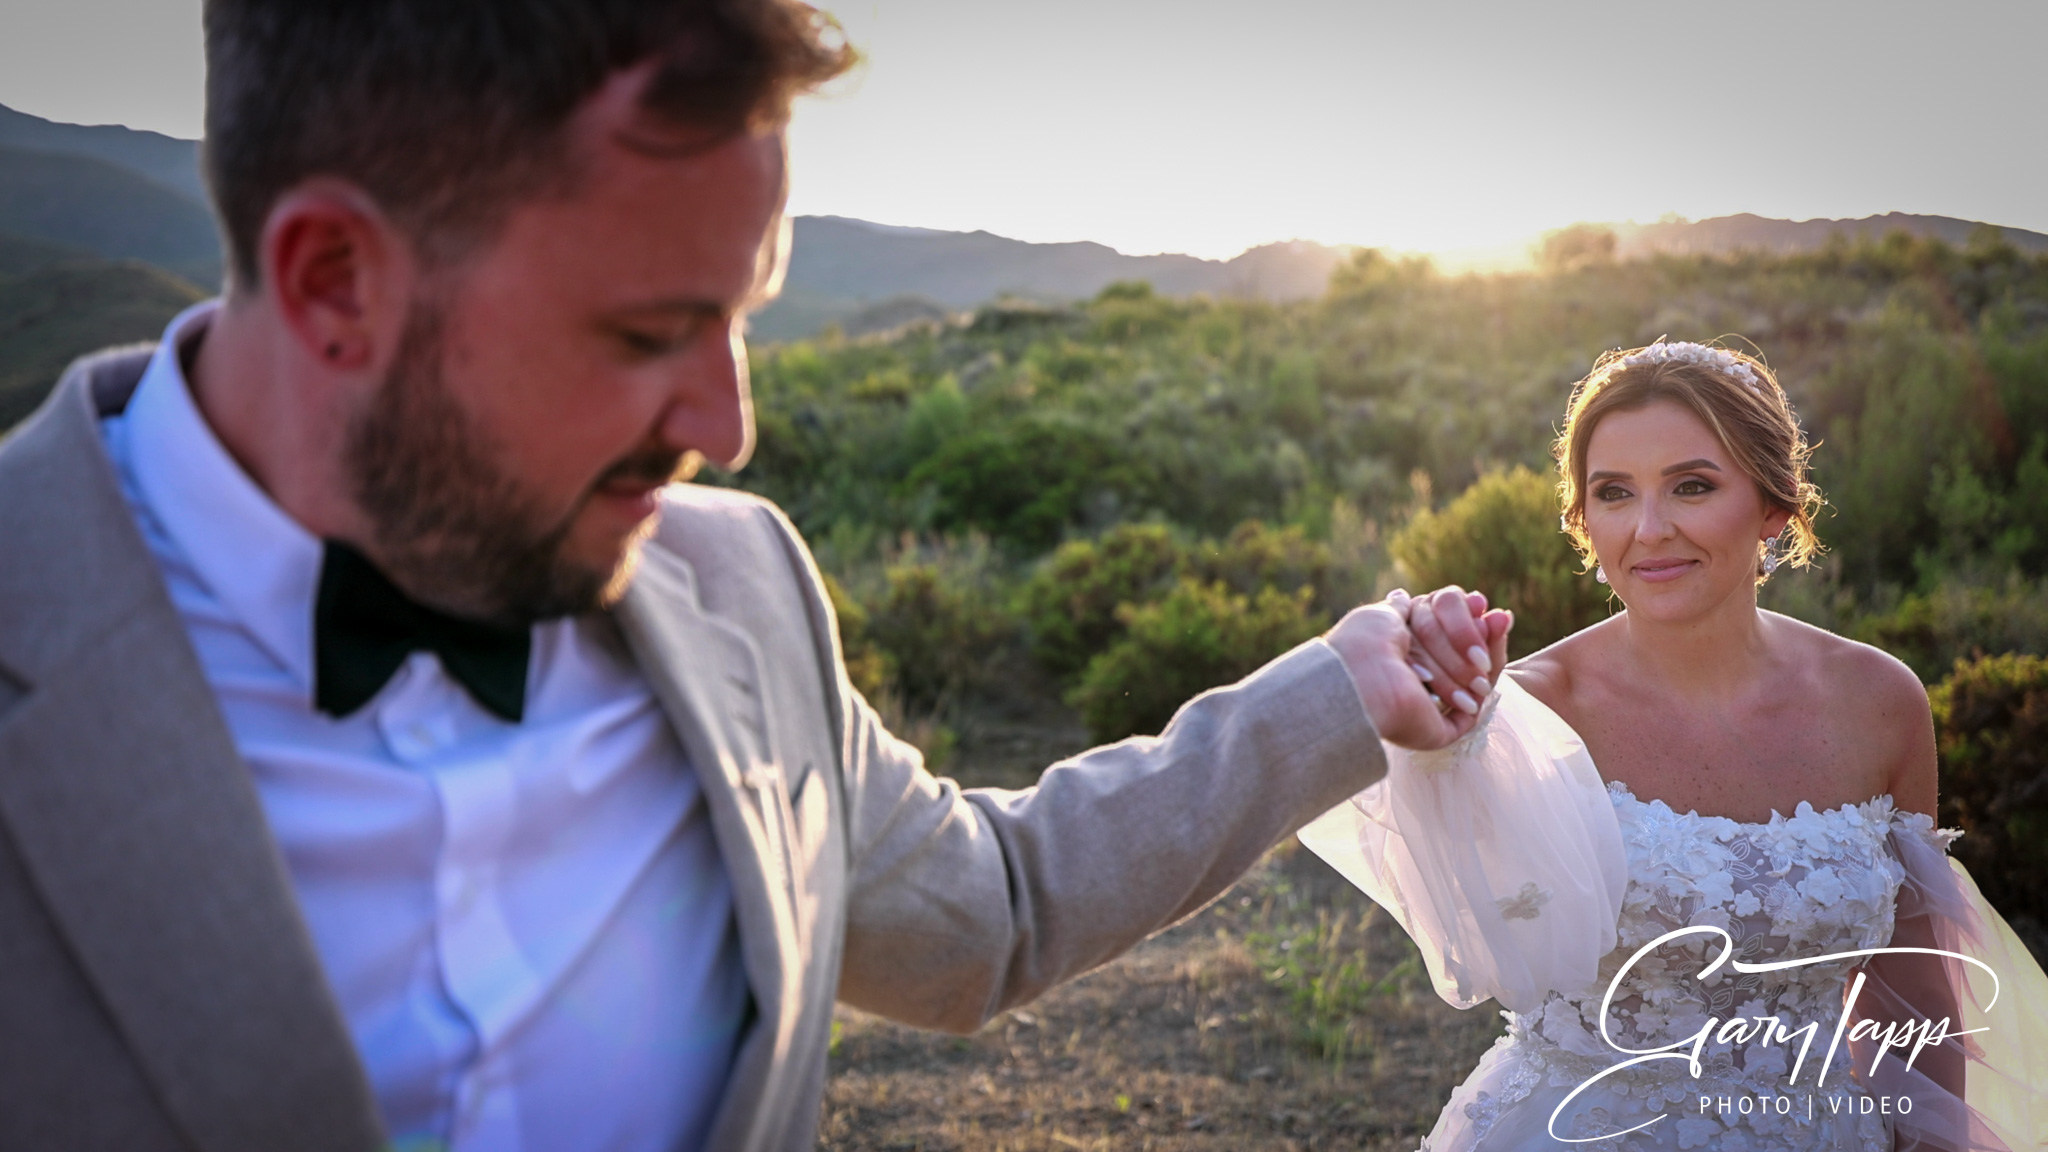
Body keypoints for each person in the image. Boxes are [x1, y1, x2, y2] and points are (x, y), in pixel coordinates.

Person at [0, 3, 1514, 1150]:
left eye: (746, 317)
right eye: (649, 330)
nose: (728, 430)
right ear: (336, 281)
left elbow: (991, 907)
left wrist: (1333, 696)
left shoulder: (734, 583)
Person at [1301, 341, 2048, 1150]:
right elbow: (1470, 937)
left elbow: (1918, 990)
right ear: (1584, 520)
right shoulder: (1526, 711)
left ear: (1772, 504)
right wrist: (1441, 736)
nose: (1650, 530)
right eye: (1614, 494)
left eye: (1692, 486)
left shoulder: (1879, 702)